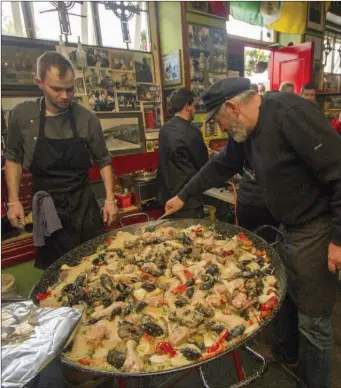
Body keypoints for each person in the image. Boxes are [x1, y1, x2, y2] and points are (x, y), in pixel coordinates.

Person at [165, 78, 341, 388]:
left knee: (314, 321)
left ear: (231, 108)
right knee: (283, 294)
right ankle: (286, 352)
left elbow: (339, 172)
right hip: (288, 225)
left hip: (317, 227)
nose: (221, 130)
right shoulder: (245, 129)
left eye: (219, 122)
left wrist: (338, 239)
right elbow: (222, 165)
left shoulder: (290, 114)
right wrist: (183, 195)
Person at [5, 51, 118, 270]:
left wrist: (110, 199)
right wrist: (13, 201)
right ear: (39, 83)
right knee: (57, 272)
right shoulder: (23, 115)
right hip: (47, 205)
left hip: (83, 203)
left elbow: (103, 160)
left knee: (95, 266)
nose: (65, 96)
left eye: (70, 89)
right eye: (56, 89)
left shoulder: (86, 118)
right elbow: (13, 159)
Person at [157, 88, 208, 219]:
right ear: (187, 106)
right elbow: (204, 165)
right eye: (194, 106)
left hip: (168, 199)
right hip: (188, 200)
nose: (195, 110)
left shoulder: (164, 129)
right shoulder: (193, 133)